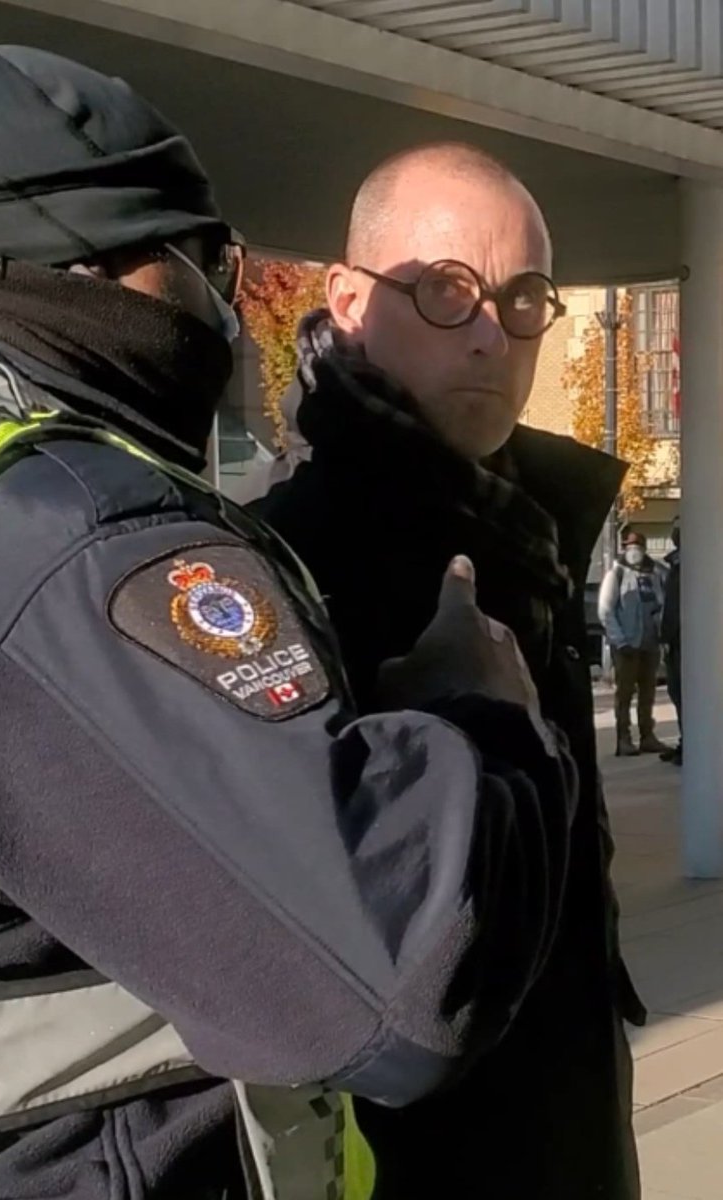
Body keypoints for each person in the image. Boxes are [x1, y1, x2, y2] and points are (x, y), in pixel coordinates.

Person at [0, 50, 578, 1200]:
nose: (223, 308)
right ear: (121, 263)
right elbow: (394, 977)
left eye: (523, 299)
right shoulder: (65, 534)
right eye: (208, 266)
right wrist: (481, 718)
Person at [242, 142, 644, 1199]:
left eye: (522, 298)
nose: (489, 334)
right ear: (349, 297)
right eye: (446, 290)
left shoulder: (530, 537)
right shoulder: (277, 562)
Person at [599, 530, 670, 757]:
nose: (634, 551)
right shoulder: (617, 574)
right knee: (625, 693)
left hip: (650, 644)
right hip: (626, 646)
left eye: (638, 546)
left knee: (648, 693)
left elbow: (662, 605)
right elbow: (606, 610)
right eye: (630, 547)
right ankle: (623, 738)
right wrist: (620, 641)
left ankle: (647, 735)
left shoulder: (655, 573)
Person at [660, 516, 682, 764]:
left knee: (686, 694)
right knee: (677, 693)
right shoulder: (674, 564)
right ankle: (685, 741)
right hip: (675, 640)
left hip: (686, 640)